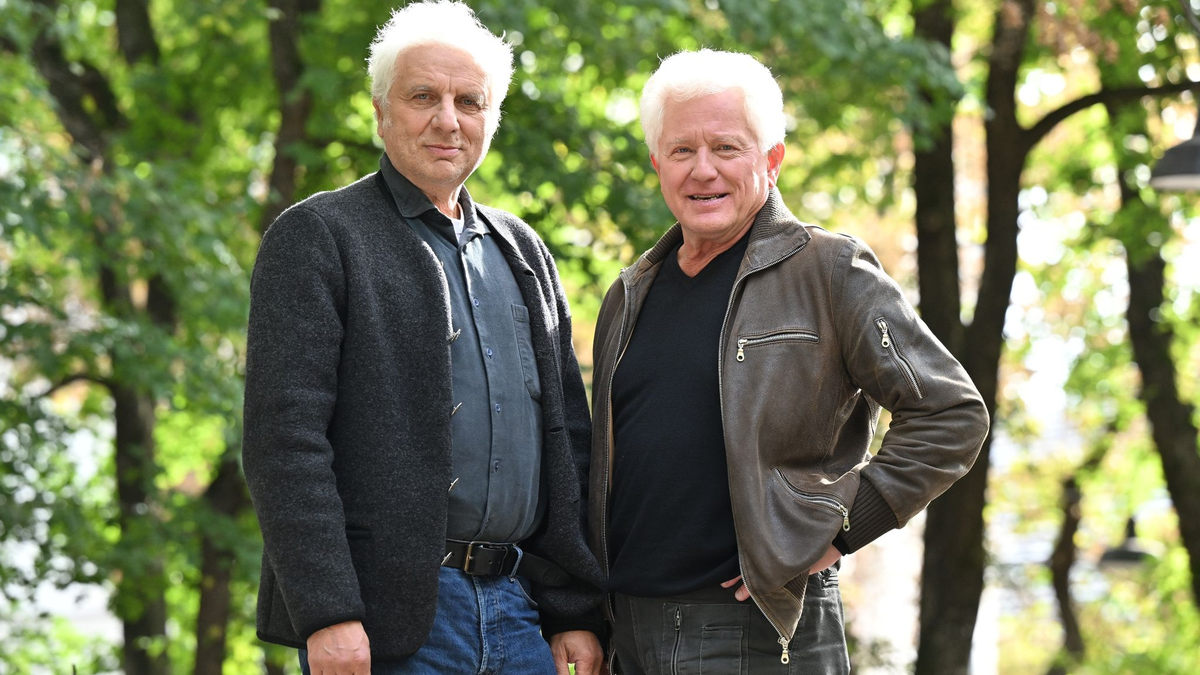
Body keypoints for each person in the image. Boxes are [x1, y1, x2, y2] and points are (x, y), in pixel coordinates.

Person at [587, 49, 990, 674]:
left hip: (757, 627)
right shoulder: (630, 292)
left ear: (772, 160)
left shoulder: (829, 272)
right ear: (656, 162)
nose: (703, 171)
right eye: (682, 150)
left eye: (727, 148)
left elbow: (951, 414)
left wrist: (841, 526)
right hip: (627, 629)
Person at [241, 3, 604, 674]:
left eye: (470, 100)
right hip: (384, 623)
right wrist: (329, 611)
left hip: (522, 612)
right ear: (382, 113)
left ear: (491, 118)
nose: (448, 119)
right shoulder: (319, 237)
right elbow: (283, 440)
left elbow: (567, 446)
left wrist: (574, 609)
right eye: (423, 97)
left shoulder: (522, 250)